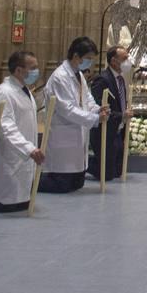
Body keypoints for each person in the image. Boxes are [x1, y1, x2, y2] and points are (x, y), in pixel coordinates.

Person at [39, 38, 110, 194]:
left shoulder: (78, 75)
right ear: (77, 56)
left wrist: (98, 110)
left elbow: (87, 100)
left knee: (77, 183)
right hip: (63, 132)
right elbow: (67, 109)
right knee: (61, 184)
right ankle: (31, 183)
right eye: (88, 58)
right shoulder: (60, 77)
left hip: (78, 133)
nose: (90, 63)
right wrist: (95, 119)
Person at [0, 50, 43, 213]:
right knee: (3, 202)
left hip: (23, 157)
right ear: (19, 70)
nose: (37, 71)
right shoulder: (4, 92)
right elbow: (6, 127)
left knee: (20, 202)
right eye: (33, 67)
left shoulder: (25, 90)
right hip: (8, 156)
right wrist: (28, 148)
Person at [89, 45, 131, 182]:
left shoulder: (121, 78)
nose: (128, 62)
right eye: (124, 59)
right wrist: (121, 116)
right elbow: (99, 107)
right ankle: (84, 163)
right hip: (104, 130)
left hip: (117, 129)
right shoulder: (102, 80)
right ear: (113, 61)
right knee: (106, 174)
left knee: (117, 171)